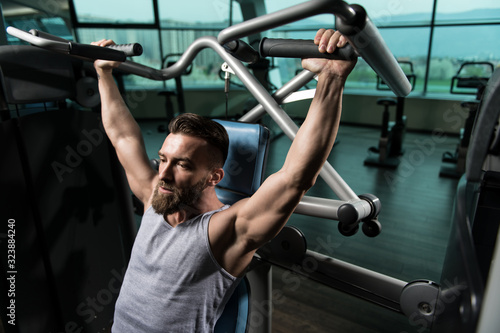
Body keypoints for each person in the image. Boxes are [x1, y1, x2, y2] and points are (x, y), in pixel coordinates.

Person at [92, 28, 356, 332]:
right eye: (163, 159)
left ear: (214, 177)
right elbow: (122, 135)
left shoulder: (224, 231)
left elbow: (295, 178)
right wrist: (104, 73)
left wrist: (332, 78)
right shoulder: (156, 197)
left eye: (182, 165)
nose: (163, 173)